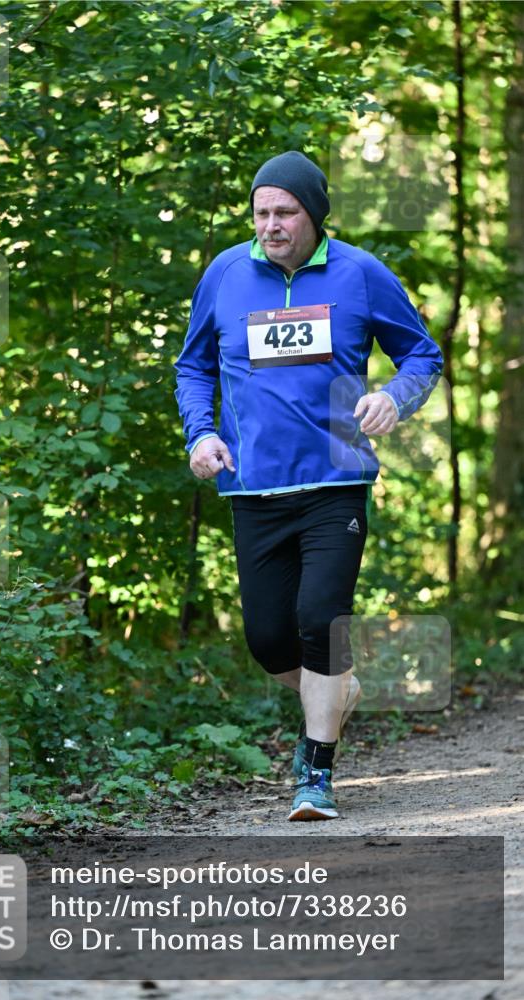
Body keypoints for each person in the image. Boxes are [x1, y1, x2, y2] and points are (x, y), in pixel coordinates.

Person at [174, 150, 444, 821]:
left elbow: (421, 354)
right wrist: (199, 435)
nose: (270, 224)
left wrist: (394, 398)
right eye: (260, 212)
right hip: (253, 485)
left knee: (319, 616)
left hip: (335, 477)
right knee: (268, 639)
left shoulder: (357, 273)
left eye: (284, 212)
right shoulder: (226, 273)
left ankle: (314, 771)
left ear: (313, 214)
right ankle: (333, 692)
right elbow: (193, 367)